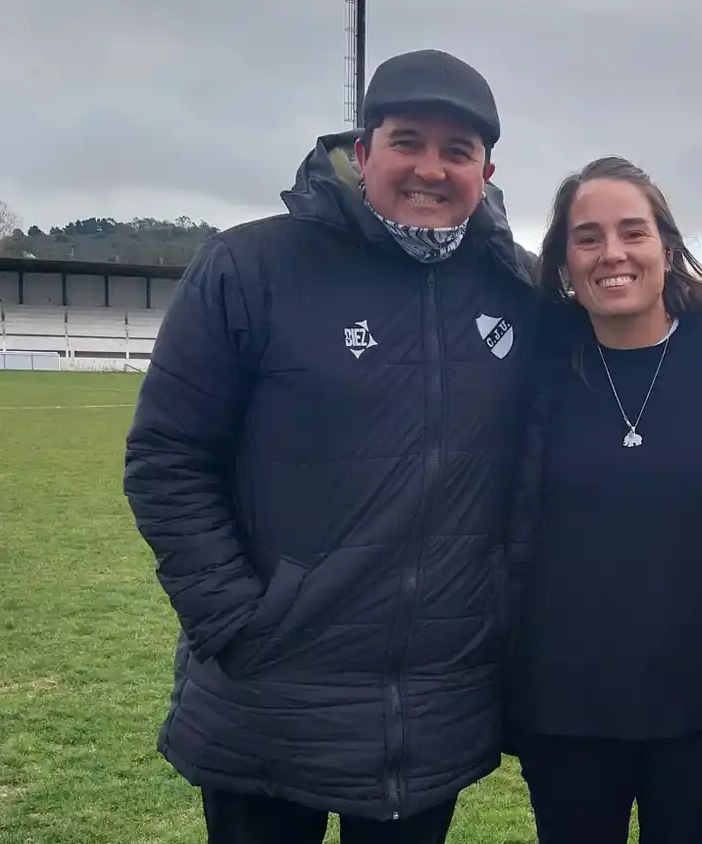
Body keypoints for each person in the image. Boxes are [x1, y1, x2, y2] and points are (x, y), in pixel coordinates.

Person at [123, 49, 537, 844]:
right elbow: (167, 458)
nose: (430, 169)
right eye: (407, 140)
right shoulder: (251, 265)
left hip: (430, 709)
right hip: (271, 697)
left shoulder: (515, 286)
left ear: (487, 168)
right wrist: (237, 620)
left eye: (457, 151)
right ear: (362, 148)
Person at [504, 156, 702, 844]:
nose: (612, 253)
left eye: (632, 232)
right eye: (588, 237)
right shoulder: (536, 366)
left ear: (666, 249)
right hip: (564, 703)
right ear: (563, 262)